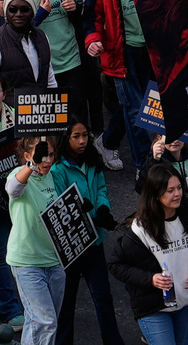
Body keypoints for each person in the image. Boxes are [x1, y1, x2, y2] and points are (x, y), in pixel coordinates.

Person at [108, 163, 188, 345]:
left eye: (179, 188)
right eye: (170, 190)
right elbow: (116, 265)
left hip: (186, 304)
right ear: (156, 194)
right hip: (153, 309)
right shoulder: (138, 231)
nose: (177, 194)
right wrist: (150, 279)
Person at [84, 0, 153, 169]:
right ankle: (145, 167)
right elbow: (92, 16)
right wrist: (93, 40)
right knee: (136, 111)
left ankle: (108, 142)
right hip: (120, 53)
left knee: (140, 105)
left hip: (150, 51)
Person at [51, 118, 125, 345]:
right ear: (66, 138)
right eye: (76, 136)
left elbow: (101, 188)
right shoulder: (57, 169)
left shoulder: (93, 161)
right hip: (72, 246)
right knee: (67, 302)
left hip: (94, 242)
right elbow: (59, 201)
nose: (83, 141)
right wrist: (80, 208)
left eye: (85, 135)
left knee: (103, 297)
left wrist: (103, 207)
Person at [5, 135, 64, 345]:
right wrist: (31, 165)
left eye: (50, 154)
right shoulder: (18, 175)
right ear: (27, 156)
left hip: (55, 260)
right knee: (45, 322)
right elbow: (13, 188)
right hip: (27, 262)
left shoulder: (55, 175)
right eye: (41, 155)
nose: (47, 160)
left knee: (38, 321)